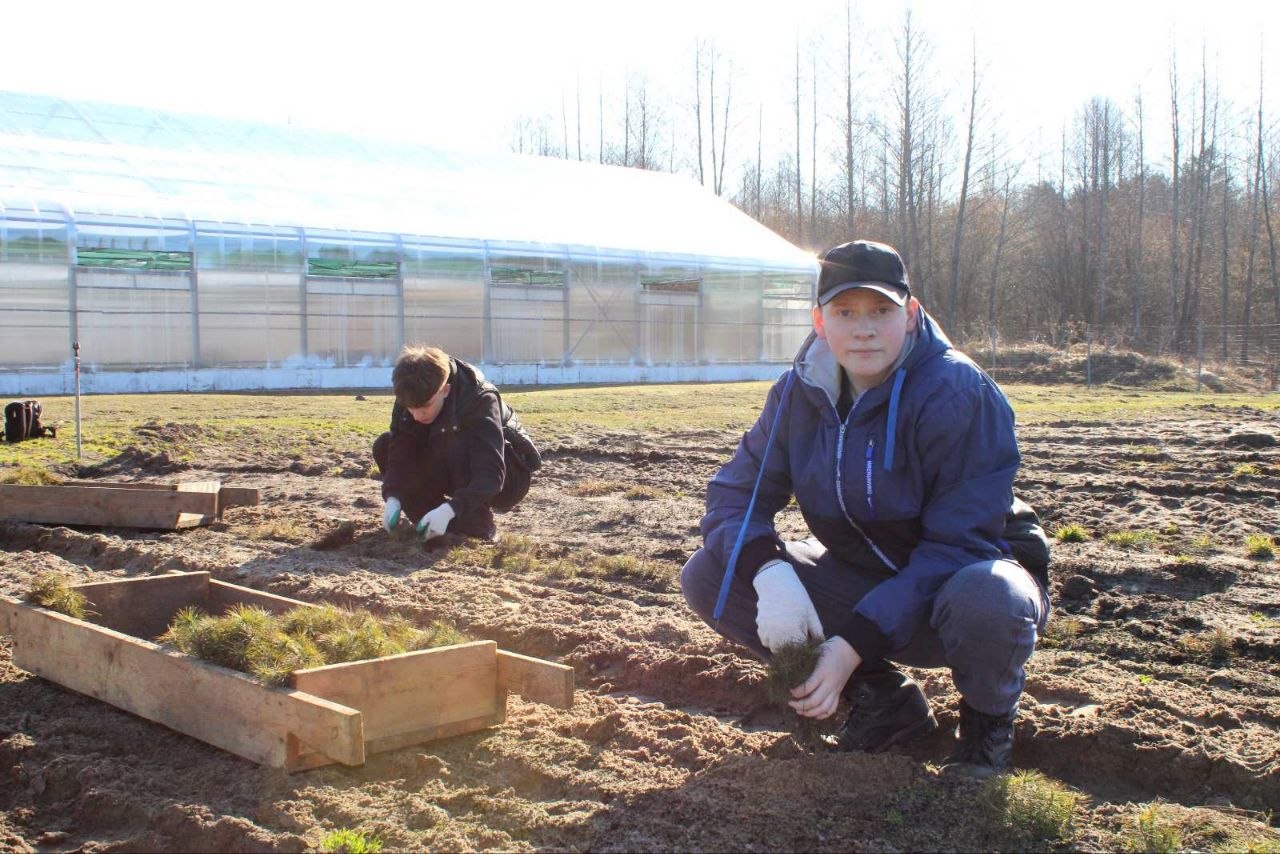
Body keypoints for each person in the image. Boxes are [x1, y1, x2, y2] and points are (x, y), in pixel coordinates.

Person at [681, 239, 1050, 778]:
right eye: (845, 312)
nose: (864, 328)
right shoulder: (796, 394)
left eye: (881, 311)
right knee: (710, 573)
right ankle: (885, 705)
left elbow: (959, 545)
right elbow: (734, 495)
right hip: (868, 576)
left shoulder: (958, 391)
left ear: (912, 313)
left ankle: (984, 733)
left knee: (987, 594)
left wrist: (850, 643)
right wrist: (769, 572)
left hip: (961, 586)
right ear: (819, 320)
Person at [373, 345, 541, 542]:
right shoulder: (410, 392)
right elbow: (401, 451)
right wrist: (393, 497)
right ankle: (430, 520)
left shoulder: (479, 398)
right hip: (449, 464)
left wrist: (450, 509)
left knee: (456, 440)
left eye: (425, 406)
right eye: (411, 408)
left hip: (506, 476)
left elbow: (491, 474)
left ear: (445, 390)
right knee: (385, 445)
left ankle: (478, 525)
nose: (417, 416)